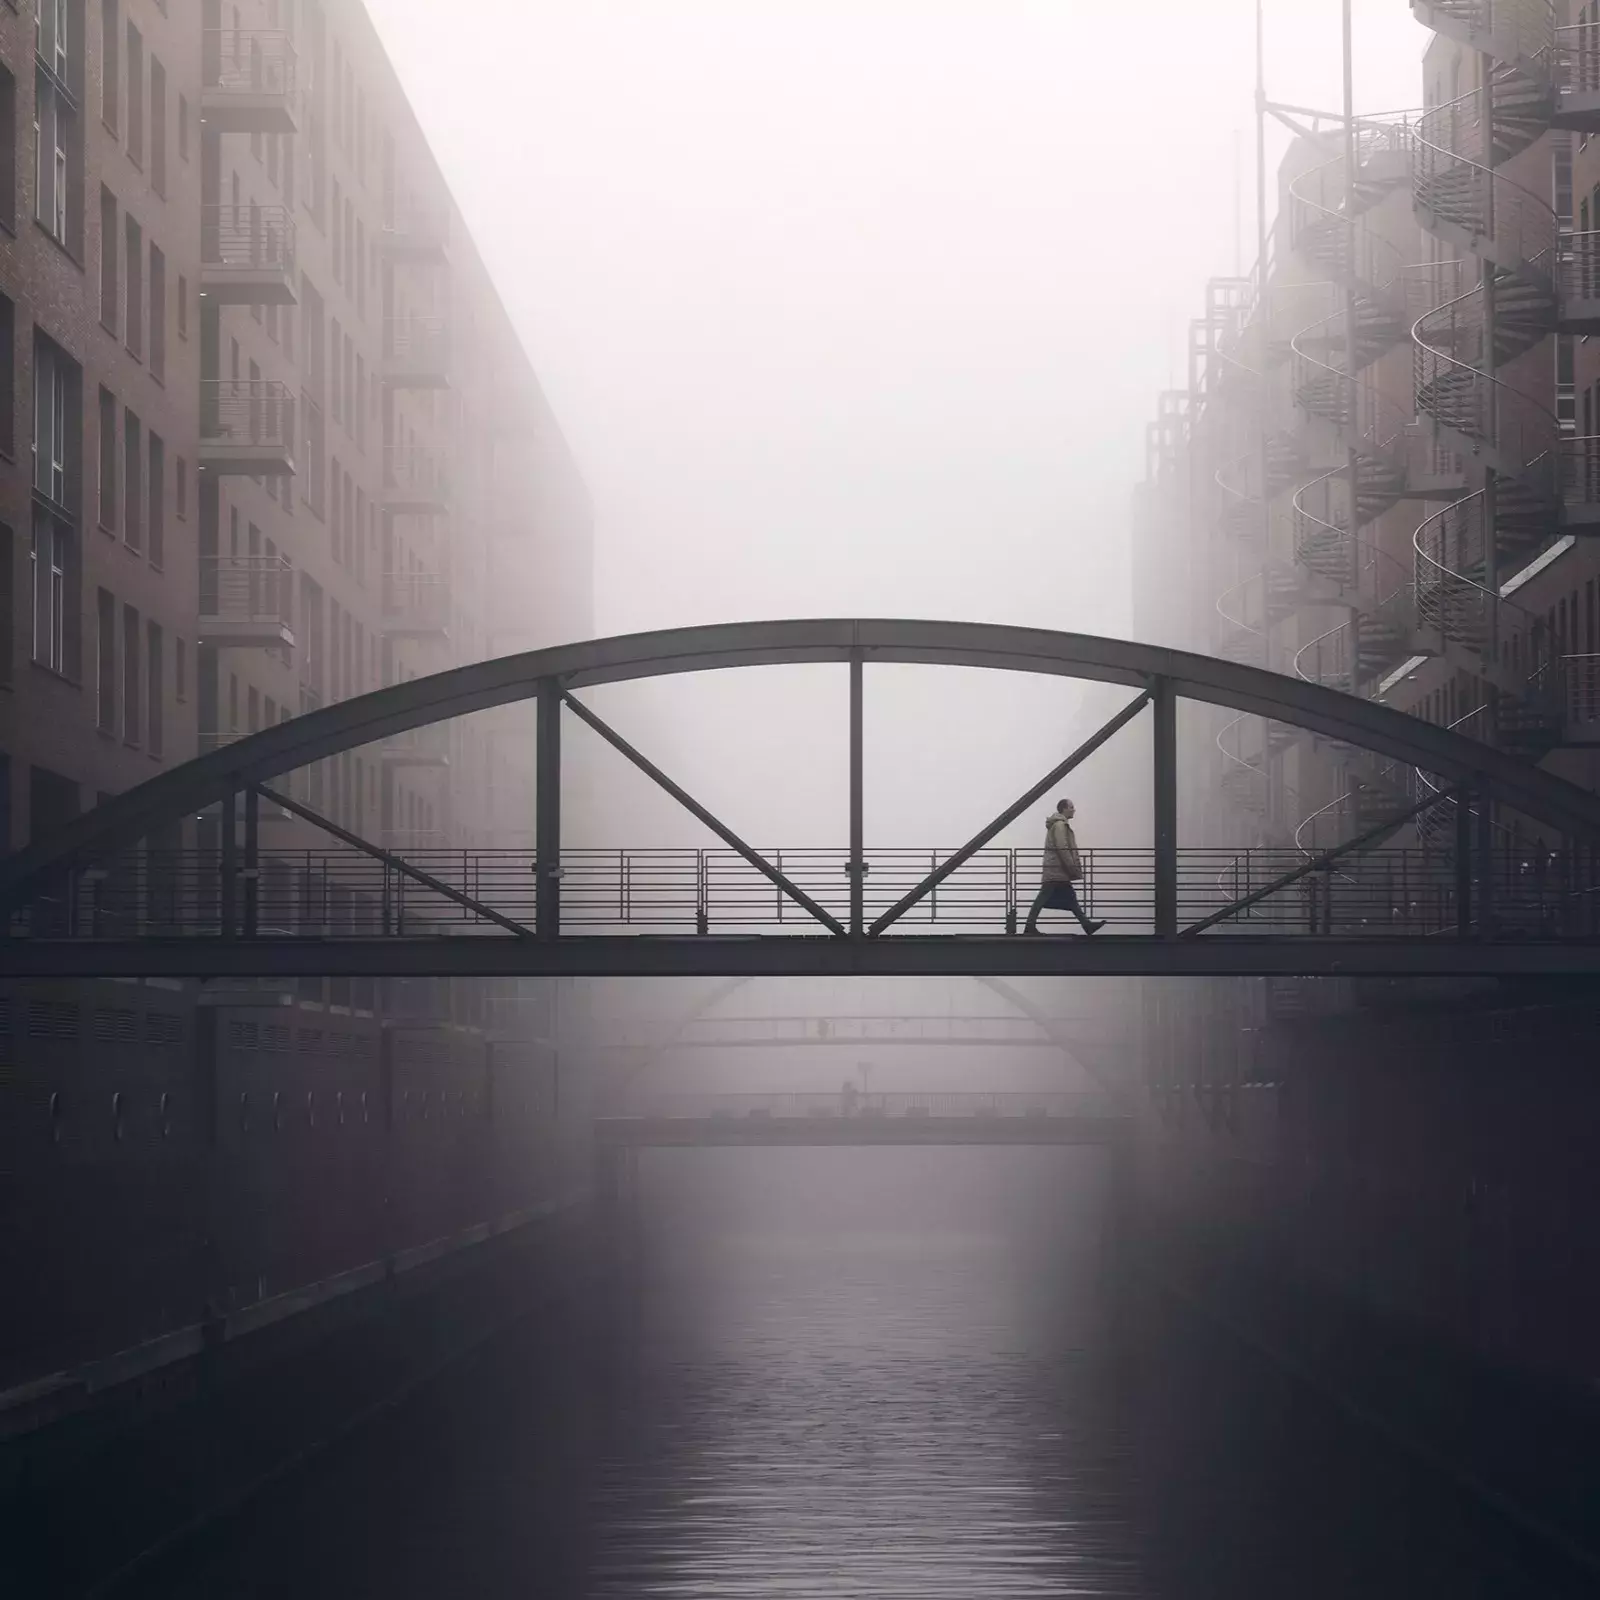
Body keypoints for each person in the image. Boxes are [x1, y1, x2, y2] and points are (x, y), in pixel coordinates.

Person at [1023, 798, 1106, 935]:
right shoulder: (1060, 825)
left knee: (1069, 898)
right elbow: (1062, 847)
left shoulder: (1059, 825)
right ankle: (1029, 926)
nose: (1074, 809)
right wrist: (1071, 866)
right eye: (1071, 807)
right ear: (1064, 809)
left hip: (1056, 869)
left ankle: (1086, 925)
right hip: (1057, 869)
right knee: (1045, 897)